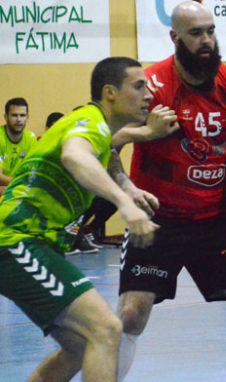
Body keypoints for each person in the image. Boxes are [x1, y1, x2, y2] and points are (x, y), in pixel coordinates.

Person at [108, 2, 226, 380]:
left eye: (210, 31)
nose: (207, 40)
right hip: (158, 220)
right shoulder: (149, 87)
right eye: (196, 34)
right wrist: (146, 137)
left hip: (215, 219)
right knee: (131, 313)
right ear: (175, 38)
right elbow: (107, 146)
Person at [0, 57, 160, 382]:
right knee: (105, 329)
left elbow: (110, 152)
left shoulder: (100, 132)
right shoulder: (90, 121)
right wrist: (123, 204)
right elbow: (74, 155)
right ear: (110, 92)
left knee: (80, 346)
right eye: (139, 86)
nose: (149, 94)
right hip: (17, 240)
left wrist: (128, 187)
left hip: (34, 244)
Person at [0, 97, 37, 186]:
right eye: (14, 115)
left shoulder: (31, 138)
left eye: (22, 115)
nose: (19, 119)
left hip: (18, 189)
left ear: (27, 117)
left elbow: (33, 172)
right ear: (6, 117)